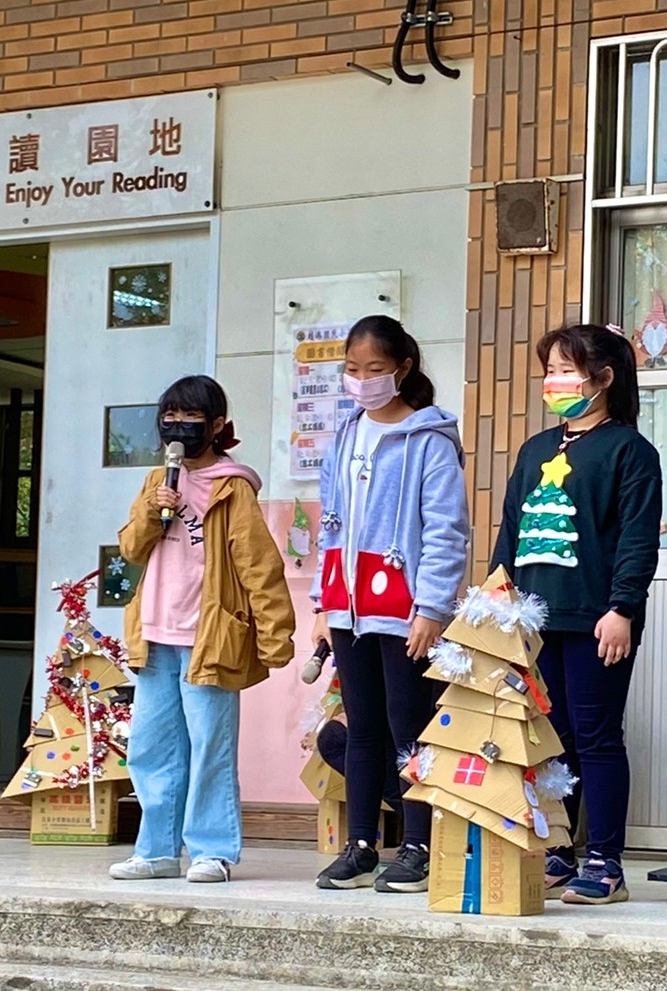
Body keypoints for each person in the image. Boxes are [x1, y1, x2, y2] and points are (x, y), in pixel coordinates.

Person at [491, 324, 662, 906]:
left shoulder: (630, 450)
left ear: (604, 378)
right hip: (535, 620)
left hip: (596, 618)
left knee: (597, 737)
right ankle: (559, 851)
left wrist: (623, 608)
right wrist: (496, 600)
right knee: (550, 740)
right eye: (550, 371)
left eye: (567, 370)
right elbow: (511, 530)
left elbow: (637, 539)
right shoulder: (535, 449)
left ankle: (606, 863)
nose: (555, 382)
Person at [110, 375, 295, 883]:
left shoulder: (232, 486)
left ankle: (212, 850)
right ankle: (156, 851)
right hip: (155, 634)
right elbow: (131, 549)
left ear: (215, 425)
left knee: (210, 745)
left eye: (190, 416)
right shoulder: (157, 480)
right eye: (169, 416)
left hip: (209, 637)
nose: (177, 426)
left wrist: (275, 632)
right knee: (151, 747)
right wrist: (155, 510)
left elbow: (259, 564)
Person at [309, 315, 469, 893]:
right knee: (362, 726)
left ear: (403, 368)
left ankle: (419, 846)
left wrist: (433, 608)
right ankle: (360, 846)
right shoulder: (345, 435)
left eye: (374, 369)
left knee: (410, 726)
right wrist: (323, 603)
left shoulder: (430, 440)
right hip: (347, 605)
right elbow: (330, 525)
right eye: (352, 370)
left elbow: (447, 530)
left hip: (405, 609)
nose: (361, 380)